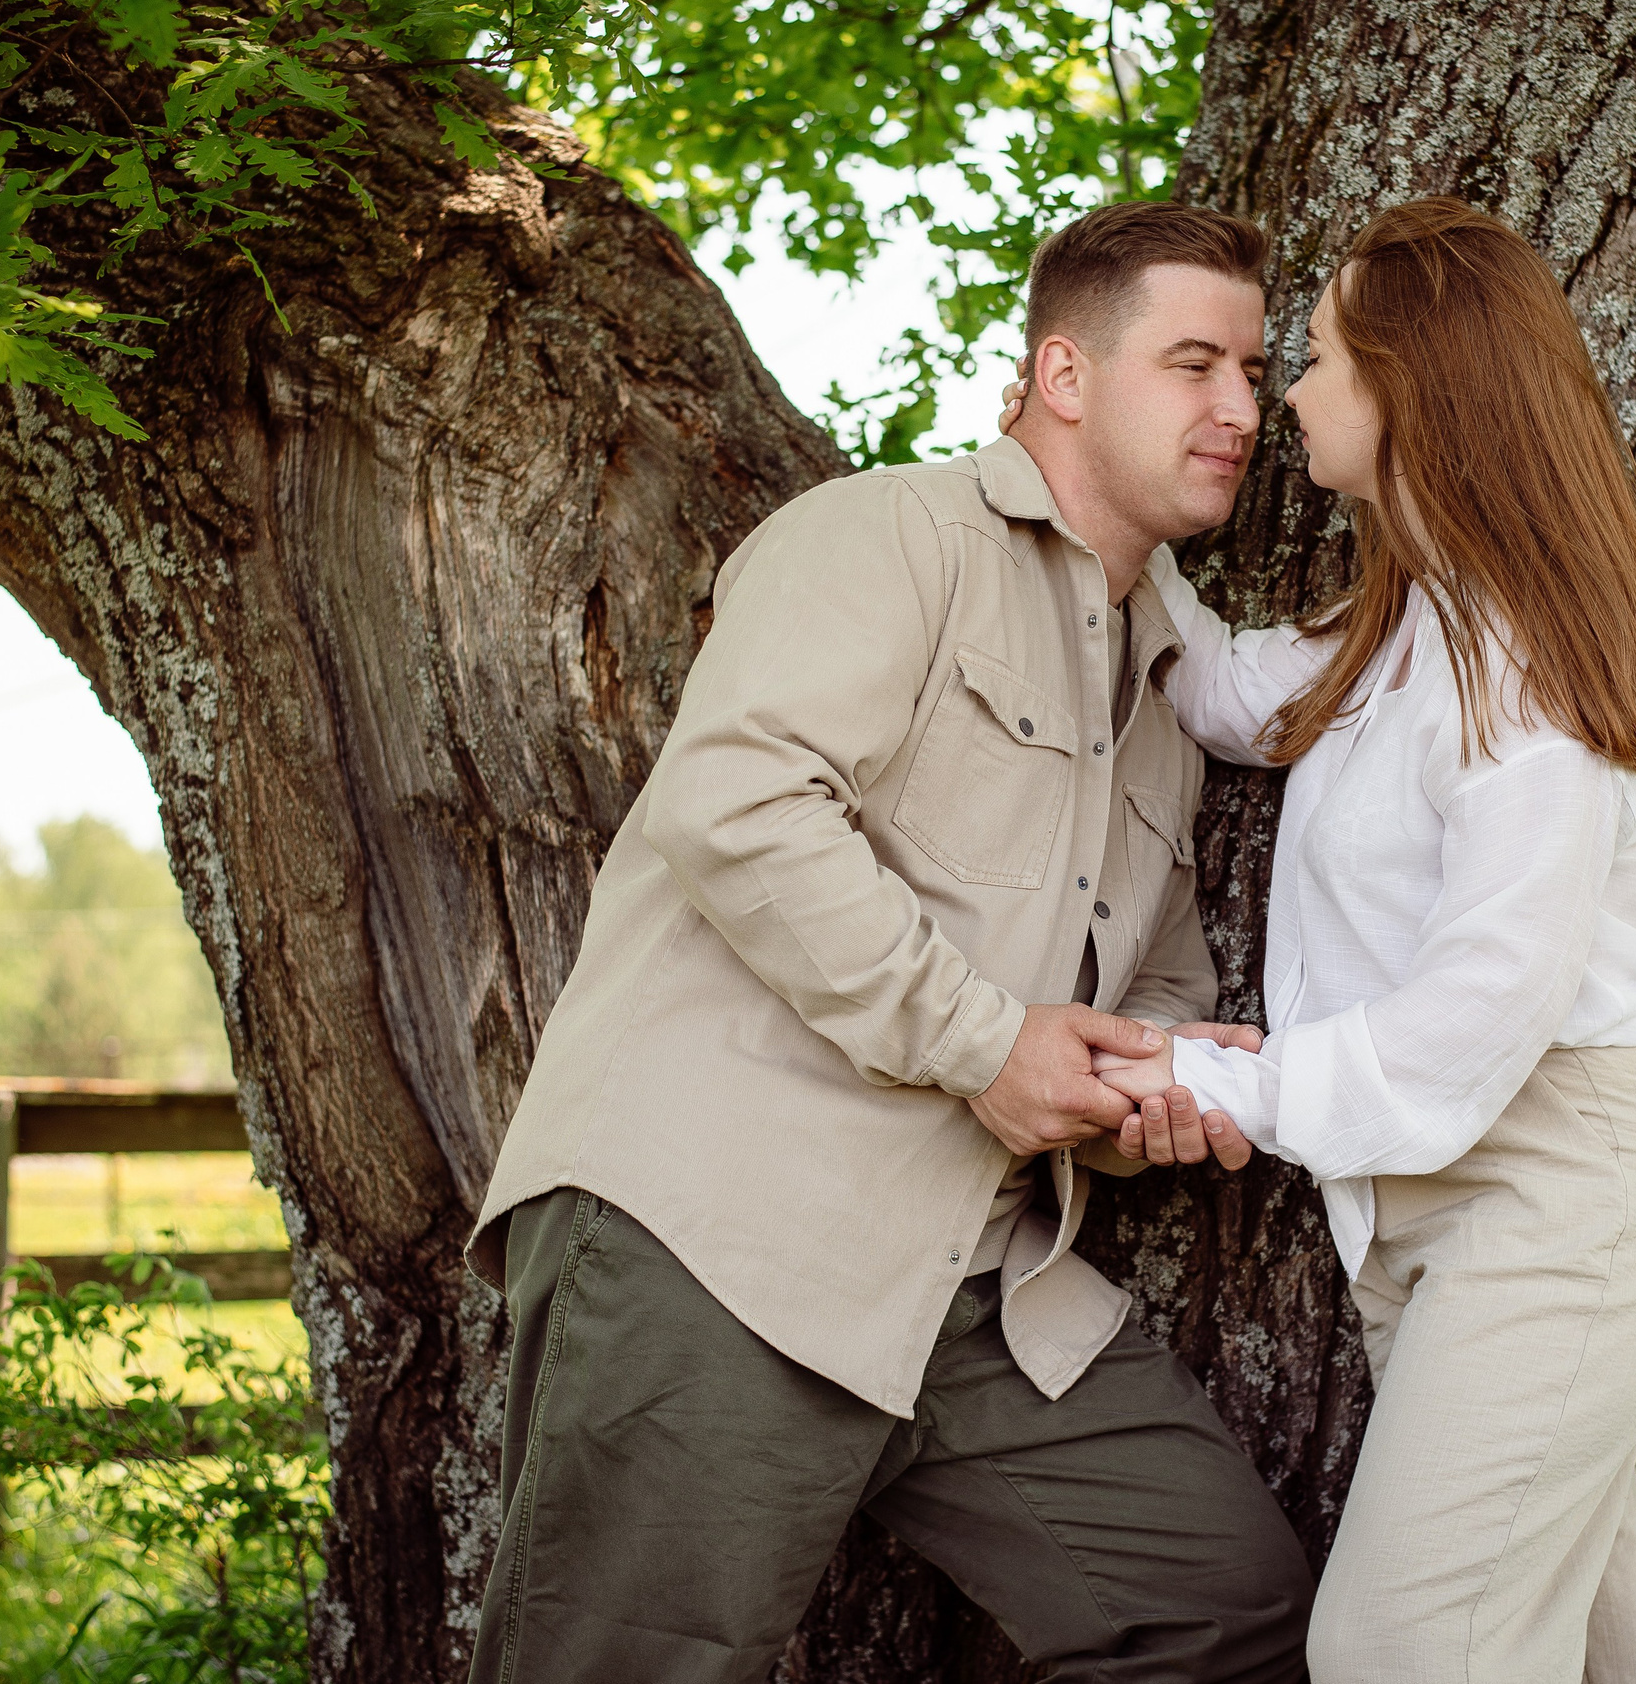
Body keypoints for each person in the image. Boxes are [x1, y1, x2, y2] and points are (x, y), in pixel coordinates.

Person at [461, 199, 1313, 1684]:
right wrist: (989, 1047)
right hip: (726, 1235)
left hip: (981, 1286)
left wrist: (1151, 1086)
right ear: (1063, 374)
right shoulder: (889, 536)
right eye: (1194, 365)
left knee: (1220, 1612)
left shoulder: (1166, 684)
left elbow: (1152, 975)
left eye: (1251, 371)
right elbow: (739, 803)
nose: (1241, 410)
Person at [1077, 197, 1636, 1682]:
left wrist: (1210, 1076)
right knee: (1591, 1647)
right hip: (1434, 1201)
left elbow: (1468, 1026)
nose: (1289, 396)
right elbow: (1223, 690)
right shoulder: (1403, 627)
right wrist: (1123, 508)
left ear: (1410, 388)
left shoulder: (1530, 673)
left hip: (1564, 1190)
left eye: (1315, 358)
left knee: (1404, 1645)